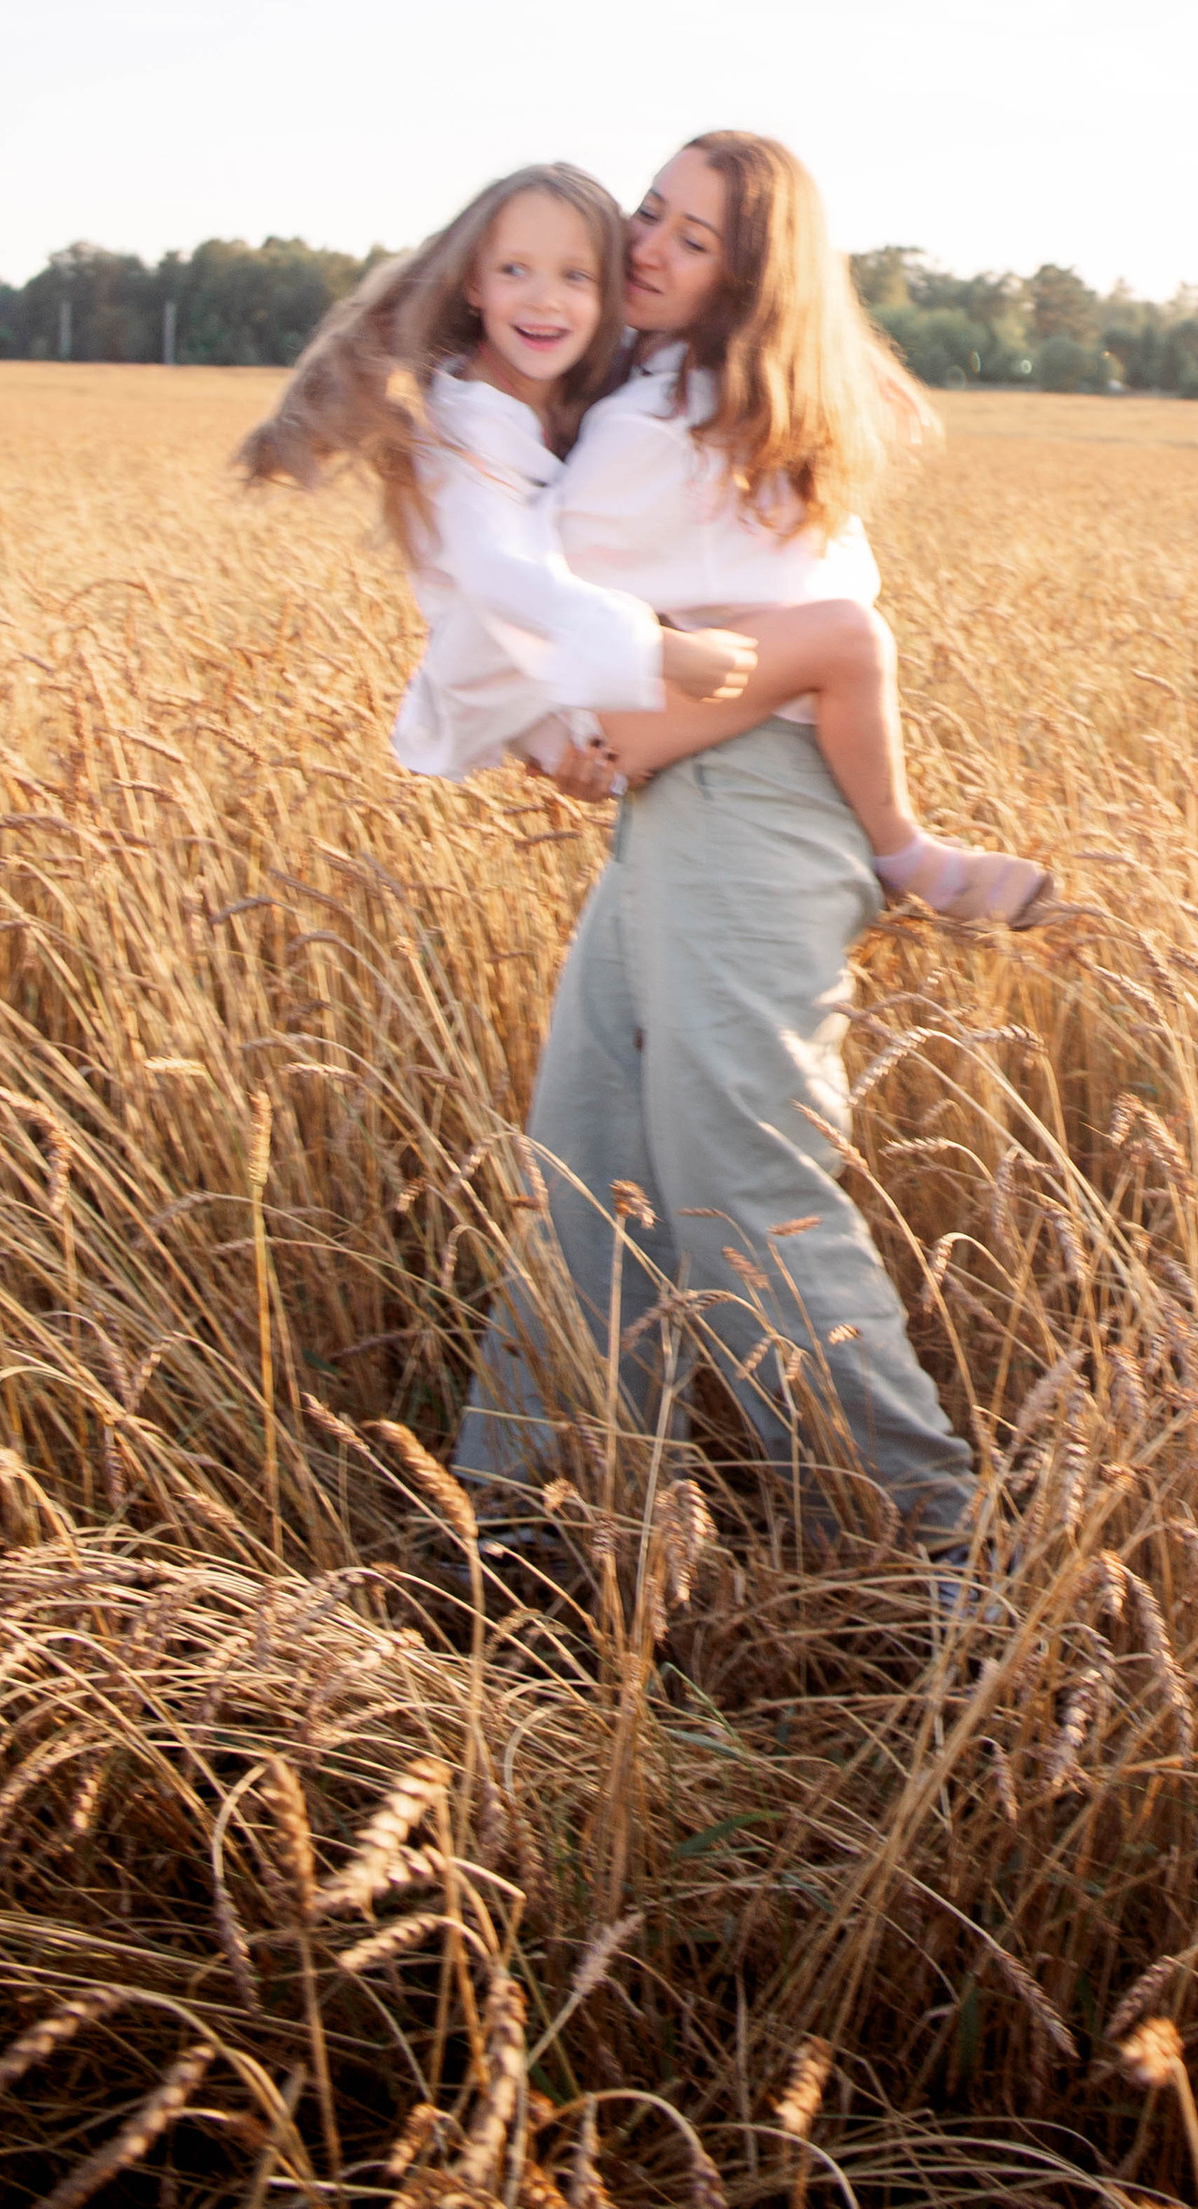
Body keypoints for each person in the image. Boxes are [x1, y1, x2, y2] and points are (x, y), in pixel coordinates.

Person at [439, 131, 1001, 1554]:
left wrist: (467, 412)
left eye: (693, 238)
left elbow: (521, 590)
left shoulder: (675, 422)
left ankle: (926, 1542)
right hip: (698, 804)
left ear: (752, 278)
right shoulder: (703, 399)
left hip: (750, 814)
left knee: (736, 1181)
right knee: (590, 1156)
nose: (649, 247)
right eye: (650, 215)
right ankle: (535, 1519)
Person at [239, 163, 1046, 926]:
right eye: (515, 270)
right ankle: (909, 859)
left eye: (576, 276)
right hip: (545, 693)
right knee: (847, 638)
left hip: (551, 693)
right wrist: (661, 651)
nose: (545, 299)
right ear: (475, 284)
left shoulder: (568, 374)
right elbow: (500, 579)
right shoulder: (473, 429)